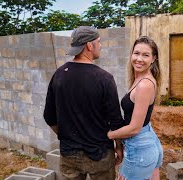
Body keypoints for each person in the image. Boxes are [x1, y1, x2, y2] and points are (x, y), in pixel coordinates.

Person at [43, 26, 125, 180]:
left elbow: (49, 117)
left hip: (69, 156)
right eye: (98, 42)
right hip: (100, 155)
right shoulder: (104, 78)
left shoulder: (59, 75)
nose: (100, 45)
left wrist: (67, 137)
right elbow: (115, 120)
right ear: (89, 45)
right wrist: (119, 147)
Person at [107, 36, 163, 180]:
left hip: (140, 147)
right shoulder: (142, 79)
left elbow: (134, 128)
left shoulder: (145, 85)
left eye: (146, 55)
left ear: (153, 58)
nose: (139, 59)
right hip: (148, 141)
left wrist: (108, 136)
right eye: (136, 53)